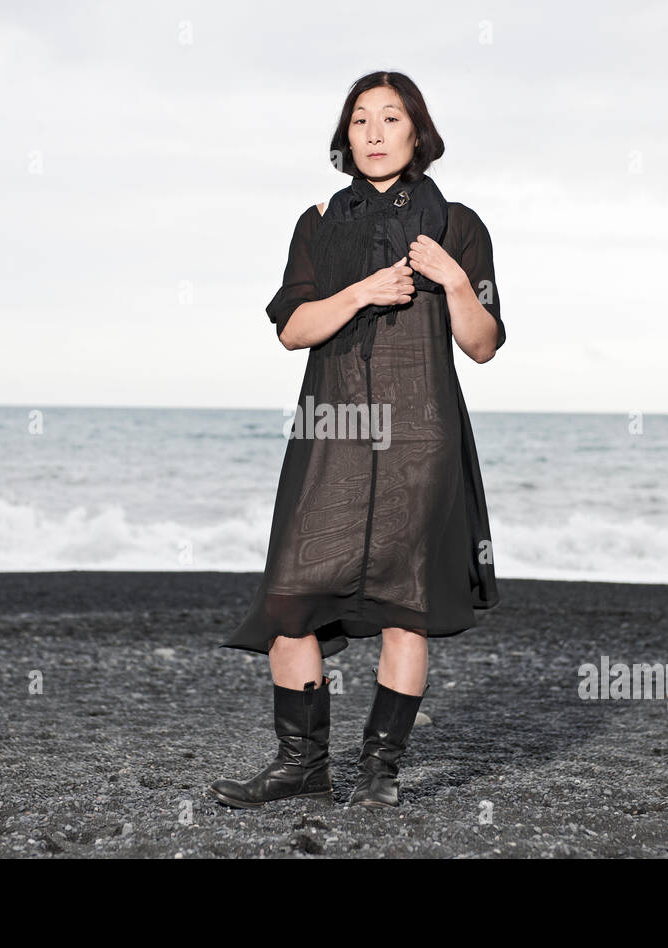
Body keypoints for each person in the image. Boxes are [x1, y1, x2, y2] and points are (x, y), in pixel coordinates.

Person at [211, 70, 505, 810]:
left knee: (410, 604)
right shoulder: (316, 221)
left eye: (391, 118)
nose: (374, 133)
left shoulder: (459, 224)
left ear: (417, 132)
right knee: (290, 599)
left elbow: (484, 345)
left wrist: (456, 282)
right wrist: (362, 292)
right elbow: (291, 331)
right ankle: (302, 765)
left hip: (420, 430)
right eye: (360, 120)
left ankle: (379, 771)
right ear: (346, 136)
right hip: (330, 426)